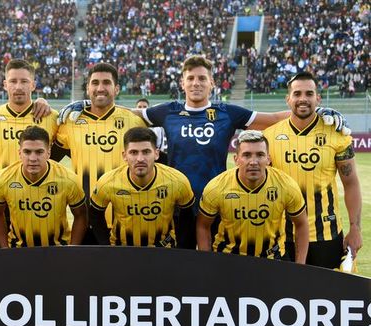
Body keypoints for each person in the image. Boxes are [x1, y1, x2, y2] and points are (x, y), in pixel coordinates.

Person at [59, 55, 349, 249]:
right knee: (180, 267)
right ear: (182, 83)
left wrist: (317, 112)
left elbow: (273, 120)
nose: (196, 83)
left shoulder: (227, 113)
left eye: (202, 78)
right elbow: (126, 112)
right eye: (191, 78)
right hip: (176, 206)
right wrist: (86, 104)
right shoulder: (167, 112)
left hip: (218, 203)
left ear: (212, 82)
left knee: (218, 265)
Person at [263, 71, 362, 269]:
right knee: (285, 295)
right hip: (283, 235)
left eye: (309, 94)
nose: (303, 99)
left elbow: (351, 183)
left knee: (328, 295)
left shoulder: (337, 134)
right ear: (288, 99)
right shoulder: (270, 136)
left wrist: (355, 228)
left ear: (318, 98)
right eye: (297, 94)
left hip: (327, 233)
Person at [54, 62, 146, 244]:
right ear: (88, 88)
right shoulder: (71, 122)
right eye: (95, 83)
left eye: (106, 83)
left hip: (126, 220)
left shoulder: (134, 121)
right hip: (84, 221)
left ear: (116, 88)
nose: (100, 88)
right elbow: (48, 158)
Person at [0, 59, 59, 248]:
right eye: (13, 81)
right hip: (2, 204)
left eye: (24, 81)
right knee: (0, 267)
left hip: (40, 203)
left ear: (33, 84)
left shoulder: (51, 117)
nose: (18, 86)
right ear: (5, 84)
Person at [197, 130, 309, 263]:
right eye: (247, 155)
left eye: (260, 155)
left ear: (268, 159)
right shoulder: (216, 187)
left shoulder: (286, 185)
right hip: (228, 260)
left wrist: (300, 265)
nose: (253, 161)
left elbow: (301, 223)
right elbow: (203, 226)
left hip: (273, 260)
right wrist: (206, 263)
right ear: (236, 159)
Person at [90, 127, 194, 247]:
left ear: (156, 154)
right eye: (133, 152)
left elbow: (187, 217)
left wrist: (181, 246)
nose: (140, 159)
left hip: (165, 251)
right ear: (124, 156)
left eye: (146, 152)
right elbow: (95, 215)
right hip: (121, 251)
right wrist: (105, 246)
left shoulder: (177, 181)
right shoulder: (108, 182)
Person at [0, 126, 87, 247]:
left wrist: (72, 249)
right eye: (27, 152)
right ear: (19, 153)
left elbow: (81, 215)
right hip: (18, 251)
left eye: (39, 152)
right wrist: (4, 248)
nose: (33, 158)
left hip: (58, 251)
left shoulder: (68, 179)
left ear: (48, 153)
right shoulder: (3, 179)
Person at [135, 98, 167, 164]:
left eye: (144, 107)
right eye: (139, 107)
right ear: (135, 108)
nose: (142, 109)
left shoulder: (157, 124)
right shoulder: (133, 124)